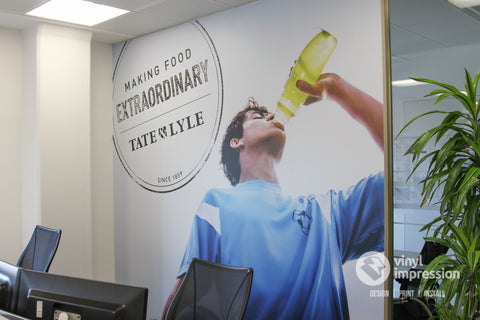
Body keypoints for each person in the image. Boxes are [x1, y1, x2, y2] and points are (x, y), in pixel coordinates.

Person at [161, 73, 384, 320]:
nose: (271, 117)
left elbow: (406, 162)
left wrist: (336, 88)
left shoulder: (324, 211)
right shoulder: (217, 205)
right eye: (259, 117)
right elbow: (182, 303)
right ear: (237, 142)